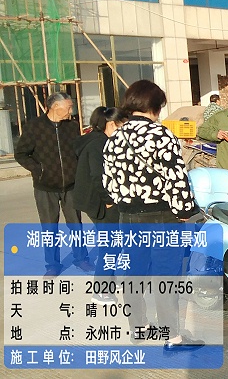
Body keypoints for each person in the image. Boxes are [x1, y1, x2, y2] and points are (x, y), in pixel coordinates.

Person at [102, 80, 203, 354]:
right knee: (166, 277)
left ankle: (139, 329)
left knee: (134, 274)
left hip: (128, 218)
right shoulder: (161, 135)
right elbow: (176, 179)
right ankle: (172, 337)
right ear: (155, 107)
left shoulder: (114, 139)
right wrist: (185, 212)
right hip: (162, 217)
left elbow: (109, 184)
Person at [15, 92, 92, 278]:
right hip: (45, 187)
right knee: (49, 228)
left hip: (71, 186)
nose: (71, 110)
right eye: (69, 106)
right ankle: (52, 265)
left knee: (76, 225)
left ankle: (81, 258)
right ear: (55, 107)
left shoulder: (72, 127)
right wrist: (39, 170)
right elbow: (21, 153)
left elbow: (77, 152)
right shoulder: (35, 127)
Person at [73, 106, 127, 303]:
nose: (124, 129)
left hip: (95, 200)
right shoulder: (98, 144)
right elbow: (98, 177)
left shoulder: (98, 140)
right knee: (110, 243)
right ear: (111, 124)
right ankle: (101, 289)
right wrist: (109, 201)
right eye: (122, 125)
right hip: (98, 201)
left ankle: (108, 281)